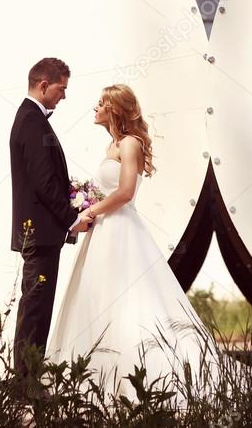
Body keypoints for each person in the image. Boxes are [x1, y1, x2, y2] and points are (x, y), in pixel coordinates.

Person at [46, 83, 222, 406]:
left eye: (100, 104)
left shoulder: (130, 144)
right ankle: (97, 375)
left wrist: (91, 209)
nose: (95, 109)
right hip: (103, 232)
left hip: (121, 230)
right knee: (97, 298)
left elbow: (126, 192)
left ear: (114, 109)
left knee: (129, 298)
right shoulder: (112, 146)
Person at [9, 57, 92, 390]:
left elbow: (47, 179)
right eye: (62, 88)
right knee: (35, 309)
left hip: (42, 234)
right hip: (39, 234)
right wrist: (72, 217)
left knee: (37, 307)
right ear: (44, 85)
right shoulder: (31, 121)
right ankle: (26, 384)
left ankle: (28, 379)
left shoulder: (32, 119)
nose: (64, 96)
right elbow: (43, 183)